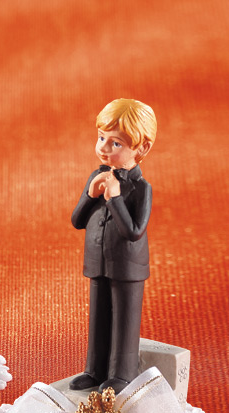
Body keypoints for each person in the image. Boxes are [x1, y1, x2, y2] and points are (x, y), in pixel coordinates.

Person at [69, 98, 157, 394]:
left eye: (115, 143)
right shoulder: (96, 177)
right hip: (98, 261)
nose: (104, 148)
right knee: (99, 317)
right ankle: (94, 370)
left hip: (127, 266)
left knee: (124, 321)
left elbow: (134, 231)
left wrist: (115, 198)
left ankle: (122, 374)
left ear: (141, 149)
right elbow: (77, 220)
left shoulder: (141, 188)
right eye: (101, 138)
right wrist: (91, 196)